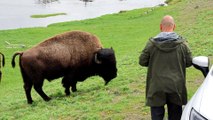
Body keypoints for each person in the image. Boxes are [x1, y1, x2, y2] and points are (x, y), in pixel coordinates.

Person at [139, 15, 192, 120]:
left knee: (157, 117)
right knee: (175, 116)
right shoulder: (183, 44)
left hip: (156, 87)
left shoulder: (151, 44)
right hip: (176, 87)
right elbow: (189, 62)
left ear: (160, 27)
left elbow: (142, 61)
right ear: (174, 26)